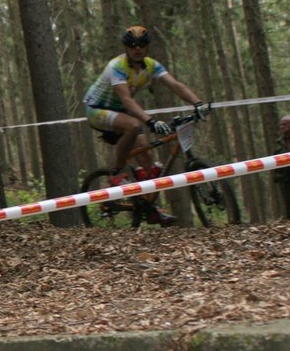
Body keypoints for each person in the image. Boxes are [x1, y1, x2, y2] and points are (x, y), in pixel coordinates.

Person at [82, 25, 207, 226]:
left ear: (147, 46)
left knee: (146, 158)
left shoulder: (151, 65)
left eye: (141, 44)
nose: (137, 48)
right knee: (133, 126)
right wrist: (150, 121)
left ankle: (149, 207)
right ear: (126, 47)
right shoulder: (117, 66)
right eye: (132, 45)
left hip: (120, 110)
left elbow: (175, 85)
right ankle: (116, 174)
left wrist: (197, 103)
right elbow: (126, 100)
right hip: (96, 109)